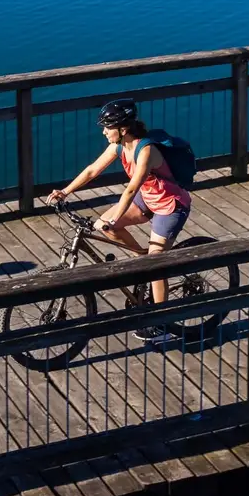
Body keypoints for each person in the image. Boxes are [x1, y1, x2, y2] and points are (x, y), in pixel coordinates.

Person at [48, 98, 192, 342]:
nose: (104, 132)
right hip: (148, 199)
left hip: (170, 206)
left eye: (107, 127)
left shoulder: (146, 150)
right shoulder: (118, 146)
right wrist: (65, 191)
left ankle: (162, 322)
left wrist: (114, 217)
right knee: (104, 228)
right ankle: (141, 258)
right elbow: (93, 170)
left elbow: (130, 190)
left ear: (123, 129)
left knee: (156, 266)